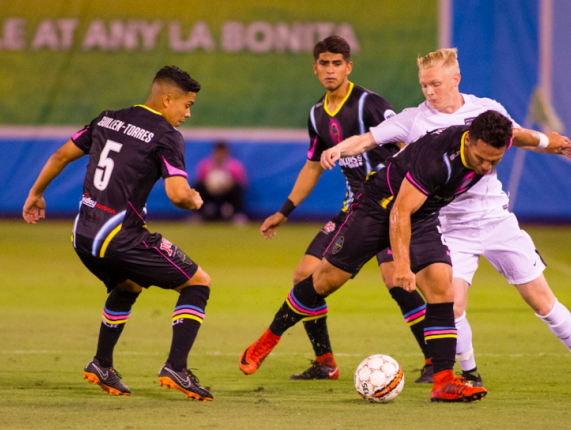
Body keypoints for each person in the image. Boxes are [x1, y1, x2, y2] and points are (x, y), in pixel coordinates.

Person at [320, 48, 571, 399]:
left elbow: (520, 135)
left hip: (495, 220)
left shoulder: (485, 111)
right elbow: (369, 139)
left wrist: (559, 144)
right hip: (449, 227)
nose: (429, 92)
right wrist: (341, 148)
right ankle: (470, 374)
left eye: (435, 84)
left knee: (542, 301)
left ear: (455, 79)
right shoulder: (414, 119)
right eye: (424, 85)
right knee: (450, 305)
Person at [242, 110, 517, 402]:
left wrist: (549, 141)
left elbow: (521, 135)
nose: (486, 166)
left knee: (441, 288)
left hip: (421, 215)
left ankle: (444, 382)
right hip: (378, 208)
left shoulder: (492, 142)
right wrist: (402, 266)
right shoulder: (437, 160)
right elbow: (400, 212)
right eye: (481, 158)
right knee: (324, 282)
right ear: (469, 139)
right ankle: (265, 341)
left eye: (494, 161)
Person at [22, 66, 215, 401]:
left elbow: (60, 155)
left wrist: (36, 193)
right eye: (187, 105)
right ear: (167, 99)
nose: (187, 113)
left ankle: (101, 363)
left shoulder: (107, 118)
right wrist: (195, 200)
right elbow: (178, 195)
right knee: (198, 283)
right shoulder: (166, 135)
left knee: (129, 284)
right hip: (119, 237)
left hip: (82, 235)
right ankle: (176, 367)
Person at [251, 35, 432, 381]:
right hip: (353, 208)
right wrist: (284, 211)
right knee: (304, 274)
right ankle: (325, 362)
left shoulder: (369, 104)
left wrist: (412, 194)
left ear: (349, 67)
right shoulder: (317, 114)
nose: (331, 70)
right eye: (324, 63)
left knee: (398, 281)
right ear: (315, 68)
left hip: (388, 206)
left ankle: (433, 361)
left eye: (338, 64)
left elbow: (408, 140)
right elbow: (313, 165)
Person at [194, 141, 248, 224]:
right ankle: (197, 214)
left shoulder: (234, 166)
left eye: (222, 152)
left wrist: (229, 184)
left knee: (237, 188)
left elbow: (243, 183)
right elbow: (200, 181)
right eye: (218, 152)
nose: (220, 155)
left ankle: (238, 214)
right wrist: (209, 184)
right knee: (198, 186)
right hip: (210, 194)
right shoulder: (205, 165)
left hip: (227, 194)